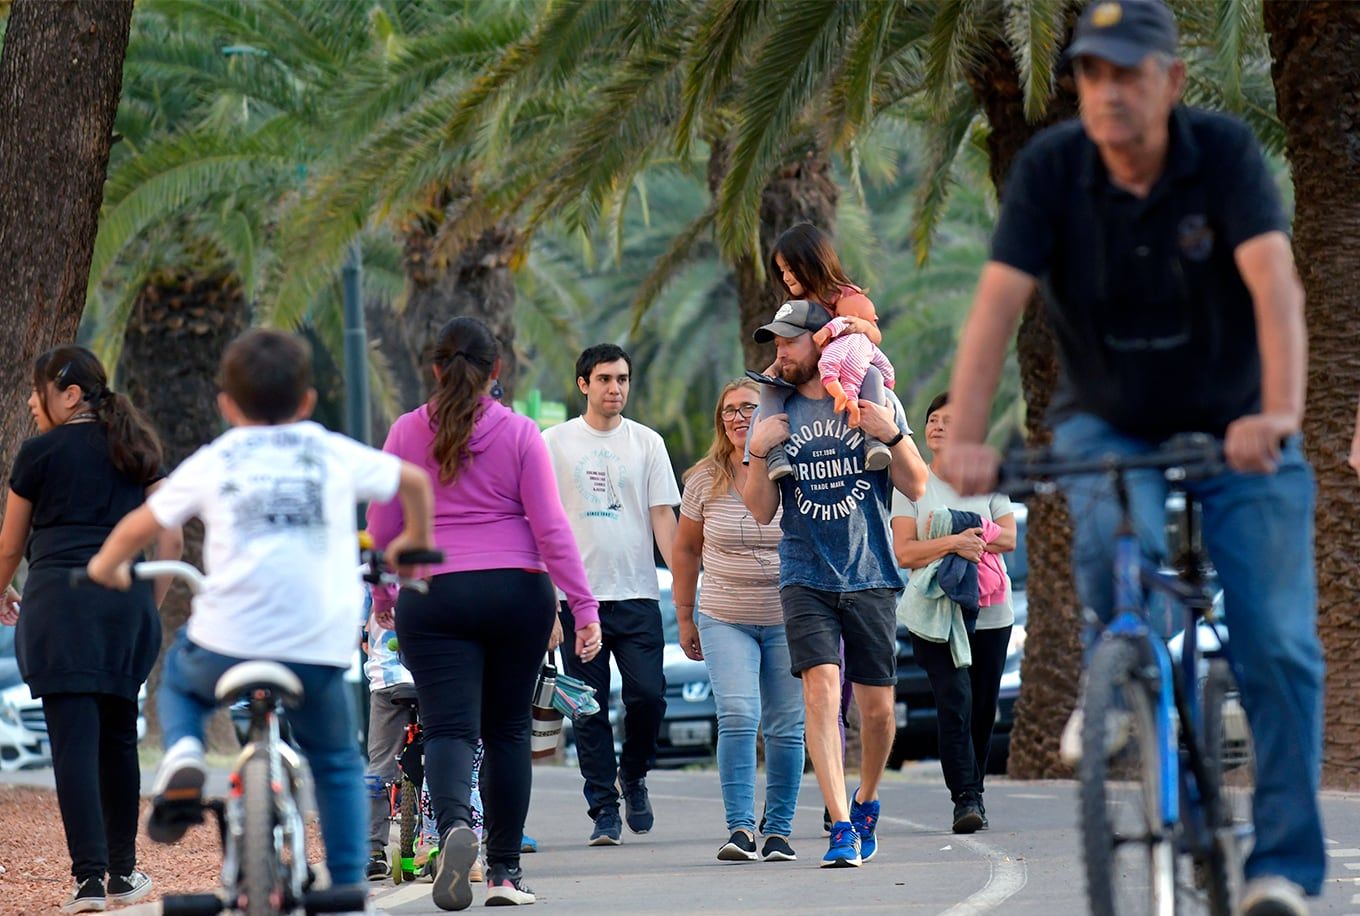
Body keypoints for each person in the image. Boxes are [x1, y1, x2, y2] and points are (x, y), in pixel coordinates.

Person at [937, 2, 1323, 911]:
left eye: (1129, 73)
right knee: (1114, 530)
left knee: (1277, 640)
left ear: (1172, 81)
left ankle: (1283, 871)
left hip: (1238, 422)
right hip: (1107, 418)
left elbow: (1277, 286)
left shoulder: (1221, 157)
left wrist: (1278, 413)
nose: (1109, 92)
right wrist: (962, 439)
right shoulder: (1051, 170)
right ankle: (1128, 672)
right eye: (1093, 73)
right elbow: (996, 308)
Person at [84, 329, 436, 903]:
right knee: (337, 761)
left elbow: (140, 526)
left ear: (225, 404)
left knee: (179, 682)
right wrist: (415, 551)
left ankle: (184, 756)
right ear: (306, 402)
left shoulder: (216, 459)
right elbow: (415, 483)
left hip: (230, 637)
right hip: (315, 643)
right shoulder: (328, 450)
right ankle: (348, 887)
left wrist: (106, 567)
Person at [367, 316, 601, 910]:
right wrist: (583, 605)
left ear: (436, 368)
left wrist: (384, 599)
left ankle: (451, 831)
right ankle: (502, 873)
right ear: (496, 370)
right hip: (515, 594)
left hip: (433, 596)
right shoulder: (520, 433)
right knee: (506, 732)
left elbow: (381, 528)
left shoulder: (404, 432)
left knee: (449, 728)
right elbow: (550, 527)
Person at [743, 300, 929, 868]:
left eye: (788, 342)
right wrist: (756, 452)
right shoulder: (774, 411)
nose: (779, 353)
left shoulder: (872, 395)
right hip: (804, 573)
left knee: (876, 713)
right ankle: (840, 826)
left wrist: (891, 433)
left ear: (820, 343)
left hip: (870, 571)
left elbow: (917, 485)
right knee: (820, 693)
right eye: (774, 343)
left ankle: (866, 798)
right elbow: (758, 509)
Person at [0, 345, 180, 913]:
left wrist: (2, 587)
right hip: (122, 607)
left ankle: (88, 881)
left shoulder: (38, 454)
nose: (31, 402)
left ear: (69, 394)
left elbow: (9, 547)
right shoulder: (136, 449)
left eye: (38, 390)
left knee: (72, 747)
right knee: (119, 739)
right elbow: (170, 539)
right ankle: (124, 874)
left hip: (57, 608)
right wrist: (146, 603)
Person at [543, 343, 680, 847]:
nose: (615, 388)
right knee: (588, 708)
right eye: (604, 379)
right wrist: (547, 601)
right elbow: (540, 522)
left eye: (622, 379)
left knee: (649, 695)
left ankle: (635, 774)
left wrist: (685, 585)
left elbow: (664, 518)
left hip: (638, 594)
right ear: (583, 384)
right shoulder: (553, 443)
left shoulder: (648, 443)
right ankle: (603, 807)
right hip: (577, 601)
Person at [672, 379, 804, 863]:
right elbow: (685, 551)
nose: (737, 417)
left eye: (748, 407)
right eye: (728, 410)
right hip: (724, 616)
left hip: (788, 617)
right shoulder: (703, 478)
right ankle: (741, 829)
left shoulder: (792, 468)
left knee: (788, 725)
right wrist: (684, 615)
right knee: (740, 716)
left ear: (768, 411)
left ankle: (779, 830)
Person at [891, 392, 1016, 834]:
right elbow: (905, 552)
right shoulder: (910, 484)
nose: (938, 426)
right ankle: (965, 797)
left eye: (949, 420)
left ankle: (974, 791)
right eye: (932, 419)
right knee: (955, 700)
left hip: (991, 612)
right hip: (935, 612)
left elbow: (1011, 538)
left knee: (982, 707)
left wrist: (955, 527)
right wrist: (955, 541)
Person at [748, 224, 892, 478]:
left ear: (814, 262)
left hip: (847, 369)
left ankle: (874, 440)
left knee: (873, 376)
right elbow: (789, 346)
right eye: (782, 271)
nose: (786, 277)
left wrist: (859, 326)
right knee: (769, 387)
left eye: (791, 269)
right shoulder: (794, 306)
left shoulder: (844, 296)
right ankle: (775, 454)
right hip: (811, 377)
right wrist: (776, 369)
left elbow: (875, 336)